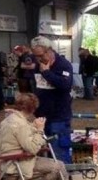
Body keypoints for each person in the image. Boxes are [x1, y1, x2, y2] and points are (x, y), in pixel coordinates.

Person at [0, 92, 77, 180]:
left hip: (21, 157)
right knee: (56, 166)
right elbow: (32, 148)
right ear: (33, 108)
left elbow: (24, 136)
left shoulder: (14, 119)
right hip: (17, 161)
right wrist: (40, 130)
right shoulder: (19, 123)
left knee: (59, 164)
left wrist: (34, 127)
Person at [30, 36, 73, 164]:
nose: (38, 59)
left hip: (59, 116)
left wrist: (47, 73)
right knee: (44, 152)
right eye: (35, 56)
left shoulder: (63, 65)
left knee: (59, 152)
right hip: (41, 117)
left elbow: (65, 86)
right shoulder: (37, 66)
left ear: (49, 50)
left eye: (40, 55)